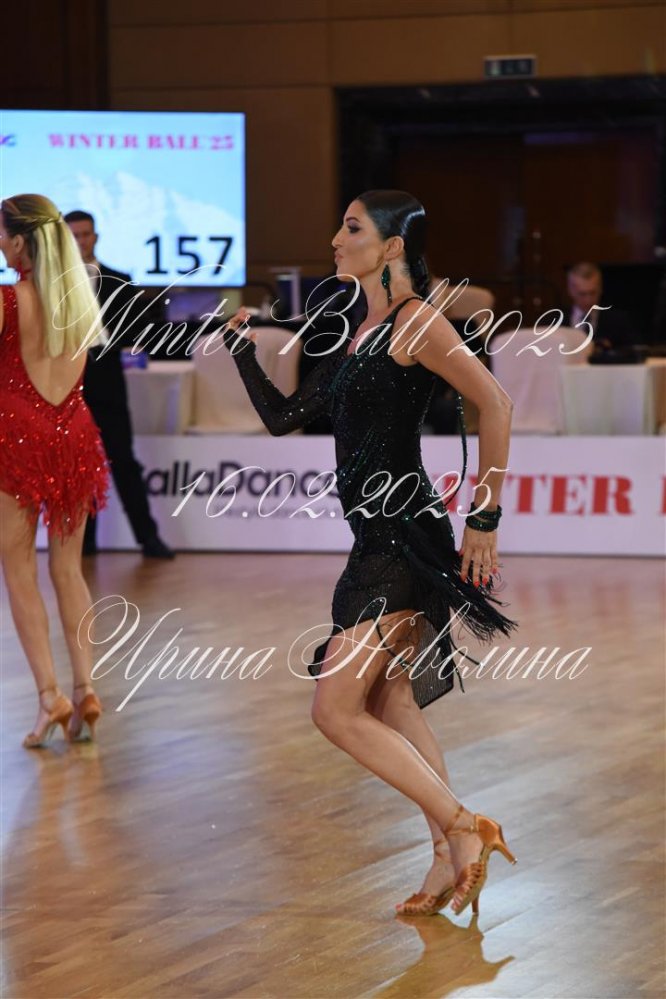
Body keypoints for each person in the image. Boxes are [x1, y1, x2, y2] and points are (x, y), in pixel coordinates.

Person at [221, 190, 519, 919]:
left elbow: (496, 403)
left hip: (401, 535)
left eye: (351, 227)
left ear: (391, 247)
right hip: (375, 536)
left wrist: (484, 518)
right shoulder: (363, 330)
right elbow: (286, 418)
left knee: (335, 708)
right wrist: (242, 349)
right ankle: (447, 853)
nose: (334, 238)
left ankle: (462, 825)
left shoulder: (417, 322)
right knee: (390, 700)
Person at [0, 194, 109, 747]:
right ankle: (85, 687)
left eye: (2, 235)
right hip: (75, 434)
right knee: (69, 569)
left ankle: (50, 696)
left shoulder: (7, 300)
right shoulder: (79, 300)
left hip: (16, 437)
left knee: (19, 571)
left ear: (20, 242)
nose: (0, 244)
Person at [64, 210, 174, 559]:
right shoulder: (55, 284)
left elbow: (134, 331)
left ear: (95, 236)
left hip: (108, 384)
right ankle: (84, 541)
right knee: (78, 464)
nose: (81, 241)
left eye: (85, 234)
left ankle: (148, 537)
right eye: (74, 235)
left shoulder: (119, 281)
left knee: (123, 460)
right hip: (69, 387)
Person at [566, 261, 637, 351]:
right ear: (570, 290)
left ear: (600, 289)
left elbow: (633, 352)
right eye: (582, 294)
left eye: (593, 293)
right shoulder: (555, 321)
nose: (588, 300)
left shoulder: (618, 321)